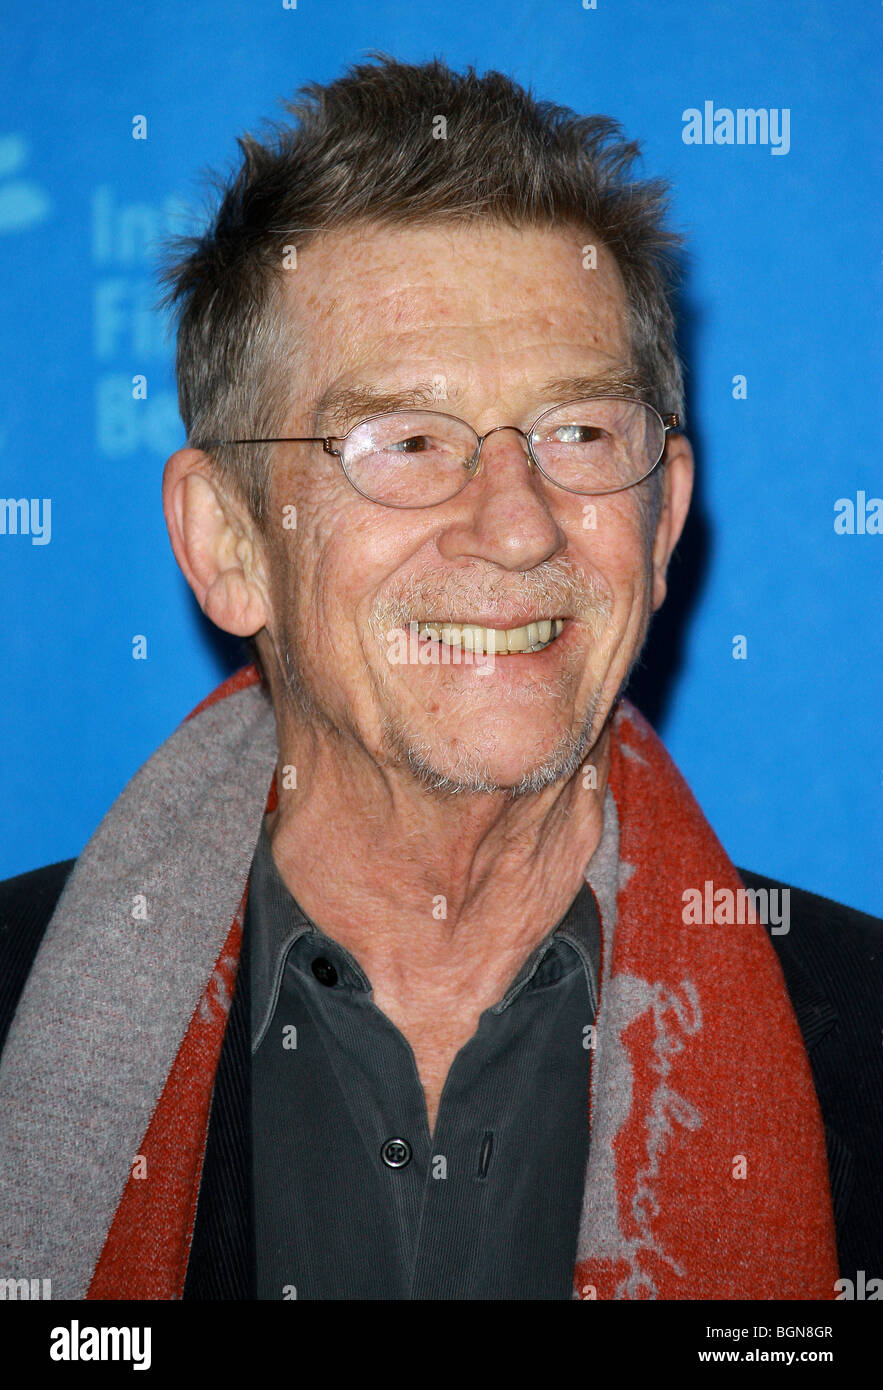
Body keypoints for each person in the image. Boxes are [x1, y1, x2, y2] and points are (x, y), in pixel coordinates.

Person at [1, 54, 879, 1303]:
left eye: (579, 432)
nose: (517, 526)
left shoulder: (861, 1039)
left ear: (664, 517)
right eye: (406, 442)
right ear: (229, 545)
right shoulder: (14, 1022)